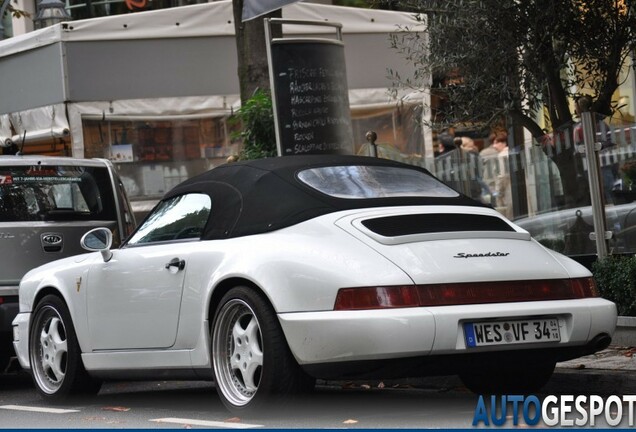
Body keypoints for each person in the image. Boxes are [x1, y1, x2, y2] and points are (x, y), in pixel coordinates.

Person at [491, 131, 513, 218]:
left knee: (510, 214)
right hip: (512, 187)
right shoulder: (511, 153)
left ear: (504, 143)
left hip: (507, 189)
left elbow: (502, 175)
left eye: (496, 143)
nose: (494, 146)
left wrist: (498, 191)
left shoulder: (502, 155)